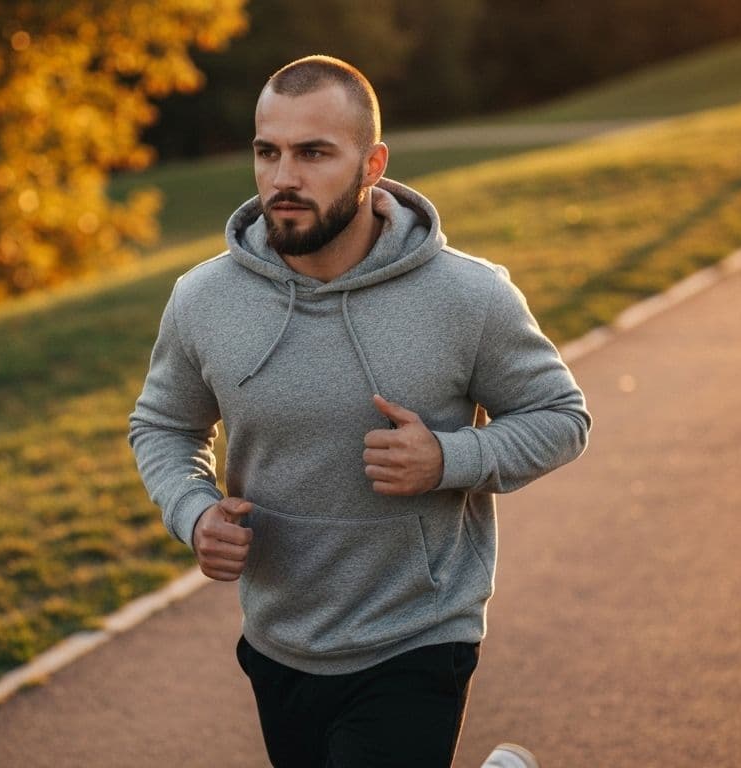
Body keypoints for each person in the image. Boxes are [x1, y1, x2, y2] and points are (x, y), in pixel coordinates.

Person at [128, 55, 591, 768]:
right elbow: (165, 424)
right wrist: (192, 510)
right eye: (268, 151)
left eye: (314, 153)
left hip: (419, 634)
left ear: (372, 163)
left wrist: (449, 457)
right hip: (281, 637)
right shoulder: (204, 300)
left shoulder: (467, 297)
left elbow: (562, 416)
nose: (284, 177)